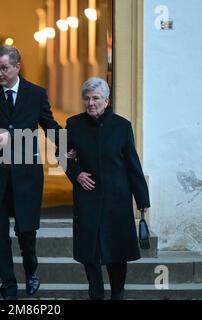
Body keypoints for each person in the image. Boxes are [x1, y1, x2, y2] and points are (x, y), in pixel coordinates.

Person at [0, 45, 62, 300]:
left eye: (4, 68)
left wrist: (73, 145)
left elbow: (50, 126)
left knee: (26, 233)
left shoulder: (36, 94)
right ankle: (8, 285)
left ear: (17, 67)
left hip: (26, 177)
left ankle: (31, 271)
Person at [64, 77, 150, 300]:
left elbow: (133, 165)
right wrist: (76, 174)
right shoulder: (74, 124)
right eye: (87, 98)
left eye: (96, 98)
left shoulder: (122, 126)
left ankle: (118, 293)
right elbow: (63, 157)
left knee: (117, 252)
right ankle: (96, 294)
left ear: (106, 100)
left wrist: (143, 201)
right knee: (90, 253)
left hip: (117, 199)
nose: (91, 103)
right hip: (88, 197)